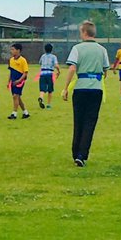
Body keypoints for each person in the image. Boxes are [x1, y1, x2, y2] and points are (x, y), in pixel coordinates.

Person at [61, 20, 110, 167]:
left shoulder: (77, 48)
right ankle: (82, 154)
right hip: (96, 89)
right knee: (90, 123)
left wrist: (65, 88)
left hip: (80, 88)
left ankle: (75, 152)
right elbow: (105, 70)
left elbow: (71, 69)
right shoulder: (102, 50)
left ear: (84, 32)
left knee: (79, 121)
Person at [7, 43, 30, 119]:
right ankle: (25, 112)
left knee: (15, 96)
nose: (11, 51)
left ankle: (14, 113)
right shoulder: (11, 60)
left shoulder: (23, 60)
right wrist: (8, 81)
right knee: (17, 97)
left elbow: (25, 72)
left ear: (18, 50)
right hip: (13, 81)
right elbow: (11, 72)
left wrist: (19, 80)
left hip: (20, 81)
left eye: (13, 49)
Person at [37, 43, 60, 109]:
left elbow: (40, 63)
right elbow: (56, 65)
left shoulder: (43, 56)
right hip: (49, 74)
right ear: (51, 49)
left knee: (42, 88)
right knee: (50, 90)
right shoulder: (53, 57)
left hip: (42, 73)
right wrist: (58, 71)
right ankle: (48, 104)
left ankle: (41, 97)